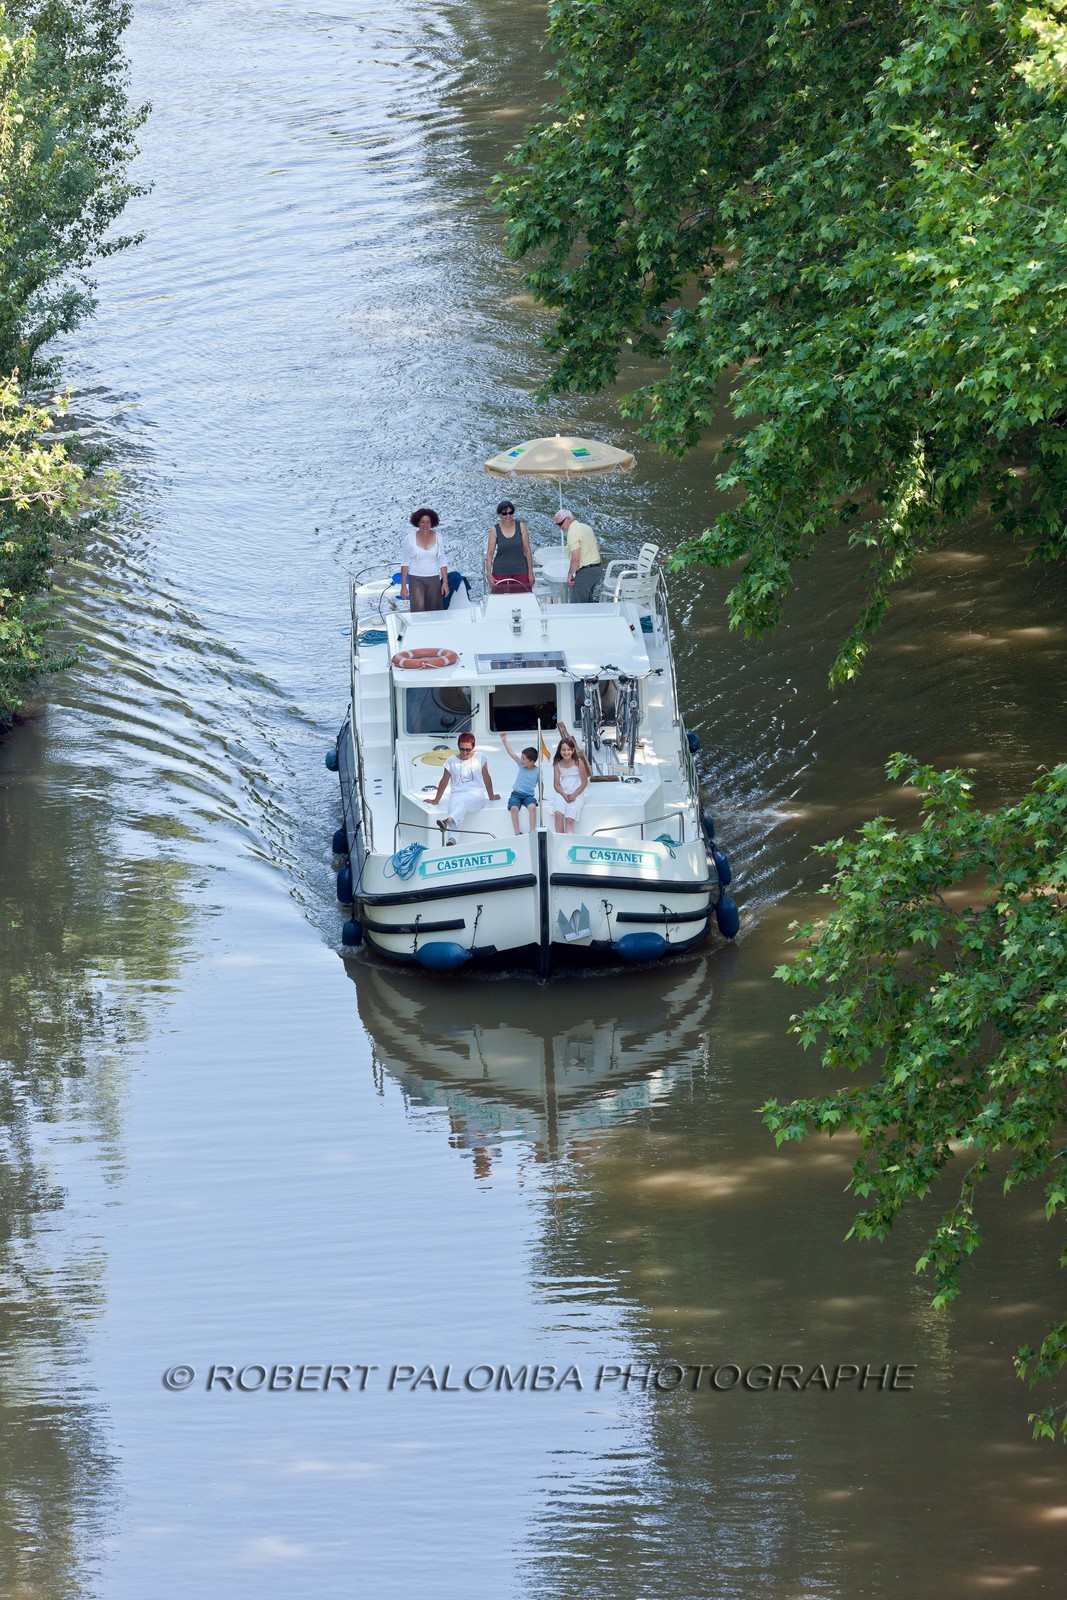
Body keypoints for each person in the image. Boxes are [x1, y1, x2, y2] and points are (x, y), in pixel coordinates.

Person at [433, 733, 498, 846]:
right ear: (458, 746)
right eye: (461, 749)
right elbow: (444, 781)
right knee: (454, 806)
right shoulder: (451, 761)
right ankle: (452, 840)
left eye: (468, 750)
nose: (464, 752)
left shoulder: (480, 757)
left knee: (463, 802)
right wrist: (436, 800)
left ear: (473, 747)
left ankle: (447, 821)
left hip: (476, 794)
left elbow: (486, 777)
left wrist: (491, 796)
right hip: (456, 793)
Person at [400, 508, 448, 612]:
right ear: (417, 522)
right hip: (416, 579)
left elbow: (442, 561)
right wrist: (403, 586)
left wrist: (445, 582)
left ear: (432, 523)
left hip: (434, 578)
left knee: (435, 610)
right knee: (418, 611)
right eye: (422, 522)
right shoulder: (409, 538)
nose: (425, 525)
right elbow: (404, 564)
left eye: (428, 522)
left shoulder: (438, 537)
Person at [486, 501, 534, 592]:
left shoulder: (521, 526)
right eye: (505, 513)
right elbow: (489, 554)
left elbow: (527, 550)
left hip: (521, 570)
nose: (508, 516)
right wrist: (488, 573)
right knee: (500, 601)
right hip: (500, 571)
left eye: (510, 513)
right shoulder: (494, 530)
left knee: (524, 598)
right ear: (500, 515)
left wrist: (530, 572)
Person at [555, 509, 601, 603]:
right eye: (557, 525)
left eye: (560, 524)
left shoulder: (572, 532)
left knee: (576, 605)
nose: (560, 527)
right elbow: (597, 548)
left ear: (568, 519)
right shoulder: (586, 527)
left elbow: (575, 558)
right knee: (588, 602)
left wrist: (570, 574)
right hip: (597, 570)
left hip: (585, 572)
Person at [500, 733, 540, 834]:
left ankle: (532, 831)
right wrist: (504, 740)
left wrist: (542, 796)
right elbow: (511, 753)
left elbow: (541, 784)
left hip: (528, 795)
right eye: (521, 758)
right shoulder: (521, 765)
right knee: (514, 809)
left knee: (532, 807)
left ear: (531, 762)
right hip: (516, 794)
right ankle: (517, 832)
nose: (521, 760)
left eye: (523, 759)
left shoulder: (538, 771)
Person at [552, 735, 591, 834]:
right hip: (563, 792)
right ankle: (559, 839)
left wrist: (575, 794)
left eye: (568, 749)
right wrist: (563, 794)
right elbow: (556, 785)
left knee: (569, 819)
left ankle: (567, 841)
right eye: (563, 750)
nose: (566, 752)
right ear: (560, 751)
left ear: (573, 750)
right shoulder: (557, 764)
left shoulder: (578, 762)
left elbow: (584, 782)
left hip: (576, 792)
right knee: (558, 815)